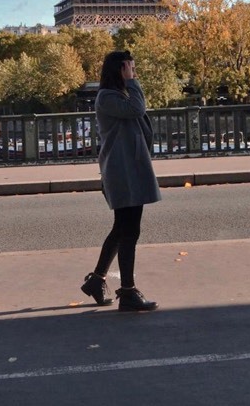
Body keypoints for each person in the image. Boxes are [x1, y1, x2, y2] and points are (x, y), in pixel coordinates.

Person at [80, 50, 161, 311]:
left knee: (121, 229)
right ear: (120, 70)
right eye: (130, 68)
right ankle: (127, 292)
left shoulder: (118, 95)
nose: (133, 73)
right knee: (129, 230)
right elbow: (138, 109)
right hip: (122, 171)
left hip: (129, 169)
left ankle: (96, 280)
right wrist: (132, 82)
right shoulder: (107, 97)